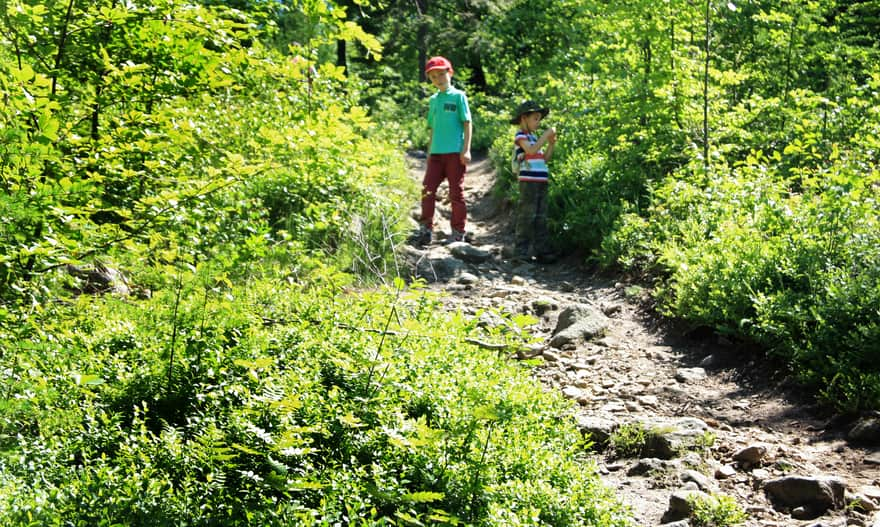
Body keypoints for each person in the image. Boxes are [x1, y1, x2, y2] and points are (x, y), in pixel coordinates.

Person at [411, 56, 472, 246]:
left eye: (441, 74)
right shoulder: (433, 100)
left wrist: (466, 149)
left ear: (450, 73)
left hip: (455, 153)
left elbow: (467, 123)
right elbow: (433, 128)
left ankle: (458, 231)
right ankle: (426, 229)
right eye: (433, 76)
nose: (438, 79)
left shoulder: (458, 96)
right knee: (427, 190)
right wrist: (429, 152)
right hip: (436, 154)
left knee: (456, 193)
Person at [509, 100, 557, 263]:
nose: (538, 122)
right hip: (528, 180)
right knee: (526, 215)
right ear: (524, 118)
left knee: (540, 216)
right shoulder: (521, 136)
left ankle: (541, 250)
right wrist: (546, 135)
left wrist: (551, 144)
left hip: (541, 179)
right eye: (535, 118)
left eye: (539, 119)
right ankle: (520, 252)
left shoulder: (534, 137)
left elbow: (544, 158)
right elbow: (530, 151)